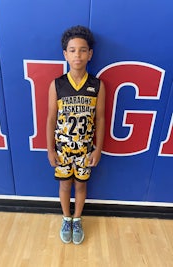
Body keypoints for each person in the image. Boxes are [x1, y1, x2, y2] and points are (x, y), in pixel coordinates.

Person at [46, 25, 105, 245]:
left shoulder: (97, 85)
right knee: (64, 185)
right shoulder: (57, 84)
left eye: (82, 50)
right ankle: (66, 219)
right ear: (65, 54)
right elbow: (51, 119)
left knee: (80, 185)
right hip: (62, 148)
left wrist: (98, 148)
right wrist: (50, 149)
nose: (77, 55)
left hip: (84, 150)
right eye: (72, 50)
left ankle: (77, 219)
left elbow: (100, 119)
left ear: (90, 54)